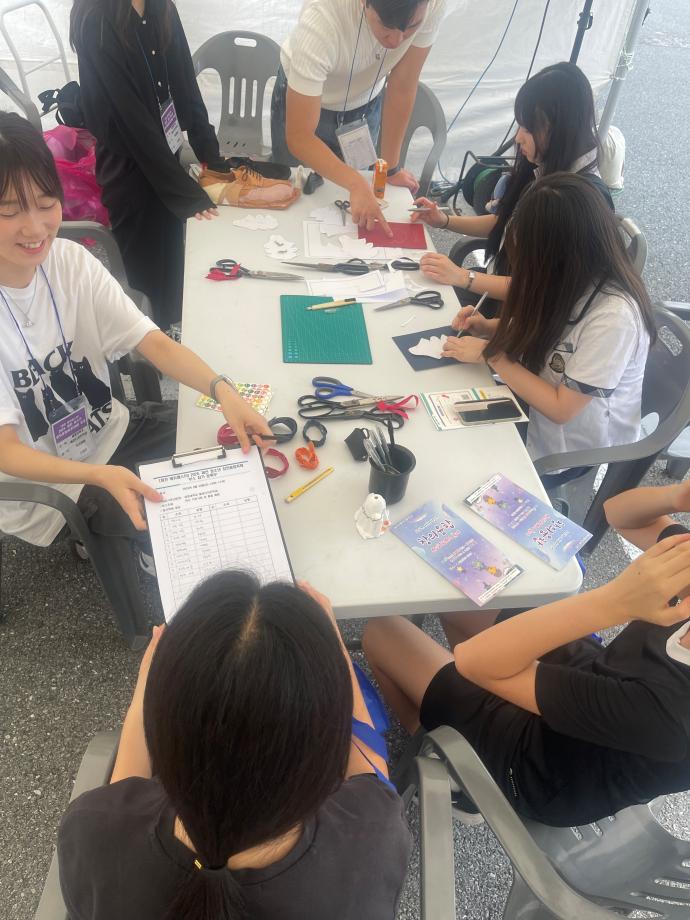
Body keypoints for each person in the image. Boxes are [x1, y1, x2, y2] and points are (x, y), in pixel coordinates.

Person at [0, 112, 271, 566]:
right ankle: (109, 542)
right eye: (10, 211)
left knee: (220, 448)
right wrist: (98, 476)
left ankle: (123, 534)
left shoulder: (71, 262)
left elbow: (153, 342)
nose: (35, 228)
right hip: (49, 483)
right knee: (181, 526)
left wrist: (223, 391)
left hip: (108, 431)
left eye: (46, 203)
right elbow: (7, 452)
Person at [58, 574, 412, 919]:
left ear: (166, 739)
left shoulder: (93, 832)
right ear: (323, 752)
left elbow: (120, 803)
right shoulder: (372, 838)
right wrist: (335, 653)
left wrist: (146, 690)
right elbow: (370, 768)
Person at [362, 481, 690, 827]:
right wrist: (677, 496)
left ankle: (439, 750)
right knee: (463, 594)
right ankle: (456, 706)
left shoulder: (670, 714)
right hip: (597, 682)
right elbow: (619, 514)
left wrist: (614, 602)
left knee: (381, 631)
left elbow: (473, 659)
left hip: (544, 768)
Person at [440, 172, 655, 479]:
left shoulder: (614, 319)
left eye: (531, 261)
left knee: (458, 463)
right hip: (535, 397)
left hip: (570, 444)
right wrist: (489, 328)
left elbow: (561, 409)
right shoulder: (569, 278)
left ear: (561, 256)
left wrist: (492, 353)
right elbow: (544, 328)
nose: (525, 273)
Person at [70, 0, 227, 331]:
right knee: (144, 270)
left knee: (173, 256)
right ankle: (145, 347)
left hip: (166, 155)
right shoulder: (96, 18)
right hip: (128, 167)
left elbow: (184, 81)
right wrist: (185, 193)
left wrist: (211, 157)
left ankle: (172, 330)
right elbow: (130, 118)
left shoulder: (161, 7)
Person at [413, 61, 612, 310]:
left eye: (528, 128)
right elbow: (505, 222)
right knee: (418, 284)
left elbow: (537, 290)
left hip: (519, 314)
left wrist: (463, 277)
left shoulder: (576, 199)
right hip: (499, 289)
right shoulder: (546, 167)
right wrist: (443, 220)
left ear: (559, 128)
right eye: (520, 125)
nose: (518, 137)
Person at [271, 0, 446, 234]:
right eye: (387, 26)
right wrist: (356, 183)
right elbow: (299, 137)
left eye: (411, 27)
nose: (396, 41)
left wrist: (390, 168)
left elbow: (403, 84)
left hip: (364, 104)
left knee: (358, 212)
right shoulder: (321, 20)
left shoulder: (433, 4)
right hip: (307, 101)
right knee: (296, 201)